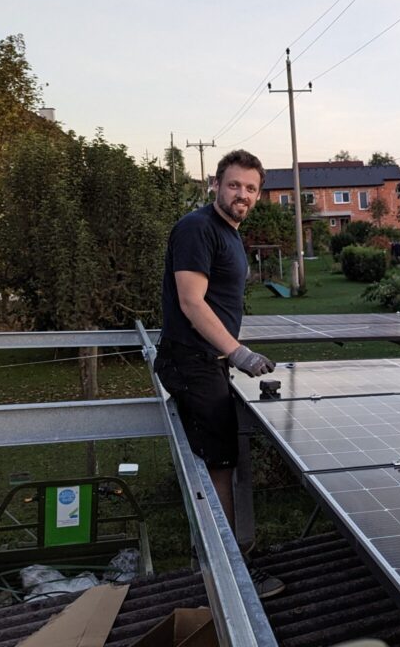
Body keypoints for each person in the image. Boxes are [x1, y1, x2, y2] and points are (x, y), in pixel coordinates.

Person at [155, 149, 284, 596]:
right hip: (193, 361)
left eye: (251, 188)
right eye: (234, 185)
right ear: (215, 184)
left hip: (207, 363)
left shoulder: (229, 234)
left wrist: (228, 355)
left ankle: (223, 561)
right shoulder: (197, 228)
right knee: (219, 468)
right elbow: (192, 302)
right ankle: (230, 575)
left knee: (223, 462)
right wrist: (238, 354)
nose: (242, 194)